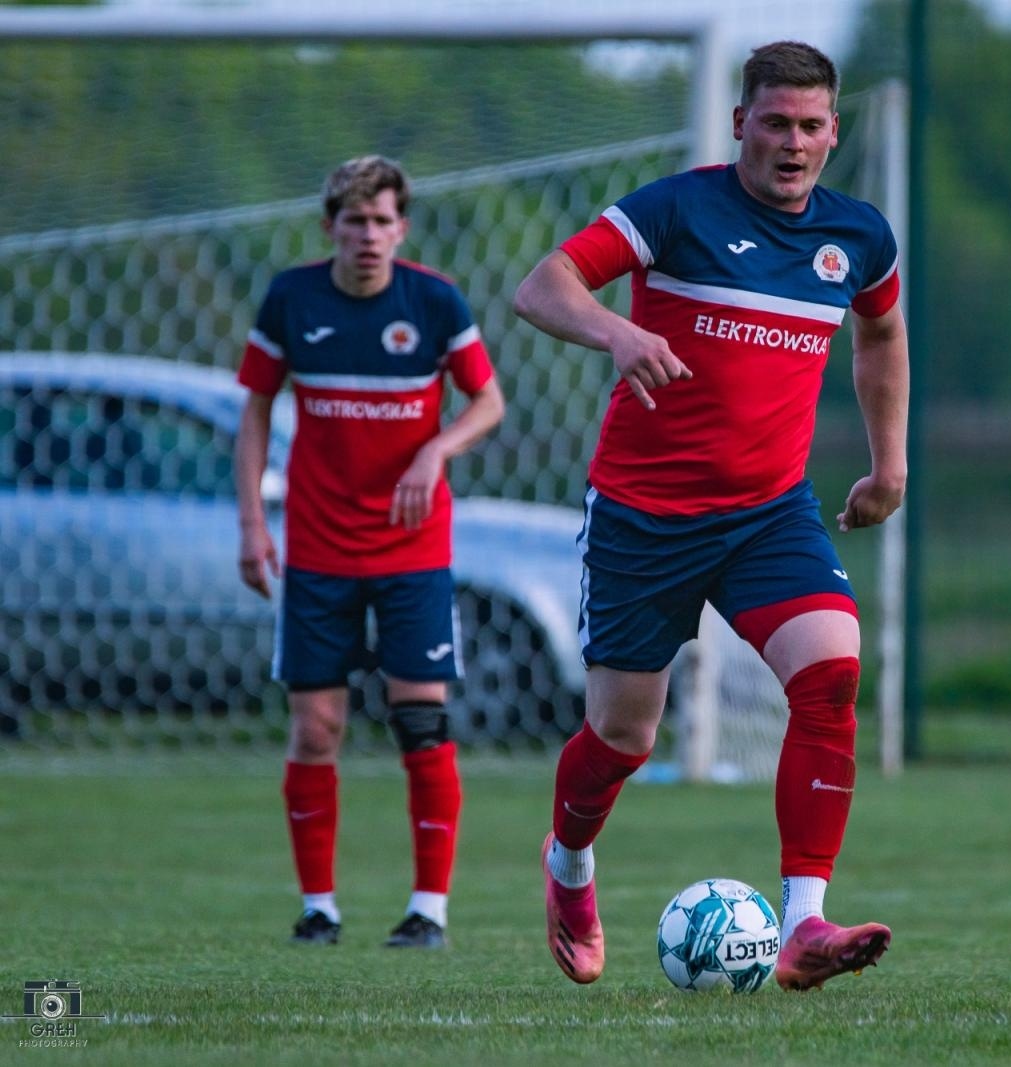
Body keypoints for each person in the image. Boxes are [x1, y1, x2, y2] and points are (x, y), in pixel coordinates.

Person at [512, 40, 908, 991]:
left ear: (834, 133)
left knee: (831, 669)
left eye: (812, 126)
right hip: (644, 515)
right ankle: (568, 864)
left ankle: (805, 923)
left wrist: (888, 464)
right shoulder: (678, 208)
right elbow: (542, 286)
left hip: (769, 514)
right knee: (623, 737)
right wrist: (618, 328)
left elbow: (881, 334)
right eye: (775, 122)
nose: (793, 142)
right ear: (741, 124)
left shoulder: (858, 237)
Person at [235, 155, 506, 949]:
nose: (369, 237)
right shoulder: (292, 298)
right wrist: (253, 524)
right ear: (330, 229)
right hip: (316, 550)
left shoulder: (433, 301)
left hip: (413, 552)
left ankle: (430, 909)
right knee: (317, 728)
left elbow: (488, 400)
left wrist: (435, 452)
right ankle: (318, 906)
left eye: (384, 222)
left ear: (402, 229)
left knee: (419, 719)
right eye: (355, 222)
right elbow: (254, 413)